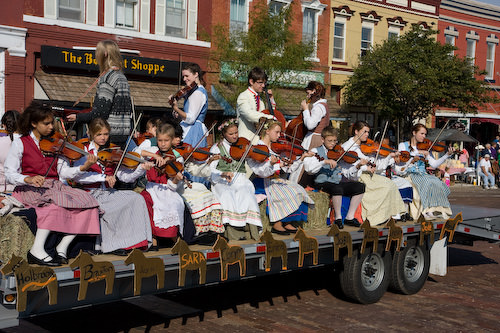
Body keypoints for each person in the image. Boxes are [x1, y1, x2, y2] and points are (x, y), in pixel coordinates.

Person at [5, 101, 101, 266]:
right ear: (34, 123)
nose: (51, 127)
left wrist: (84, 167)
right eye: (46, 123)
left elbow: (64, 173)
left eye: (52, 123)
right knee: (54, 205)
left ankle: (63, 246)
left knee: (89, 202)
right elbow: (9, 173)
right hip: (30, 188)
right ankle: (37, 249)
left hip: (54, 187)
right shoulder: (20, 142)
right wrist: (27, 178)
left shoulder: (57, 144)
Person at [70, 118, 154, 254]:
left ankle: (134, 242)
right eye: (99, 134)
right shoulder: (84, 150)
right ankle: (112, 245)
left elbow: (125, 177)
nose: (103, 138)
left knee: (136, 198)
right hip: (91, 193)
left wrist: (141, 169)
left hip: (109, 193)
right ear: (91, 134)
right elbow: (78, 177)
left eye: (106, 134)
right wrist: (103, 177)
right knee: (108, 208)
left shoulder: (112, 151)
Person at [247, 119, 314, 235]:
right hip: (263, 181)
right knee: (283, 192)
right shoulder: (257, 149)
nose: (279, 136)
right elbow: (261, 172)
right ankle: (277, 223)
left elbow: (289, 169)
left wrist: (301, 158)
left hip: (275, 180)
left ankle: (288, 221)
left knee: (298, 189)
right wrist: (272, 164)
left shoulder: (274, 149)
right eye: (277, 132)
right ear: (267, 131)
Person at [67, 40, 132, 147]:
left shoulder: (108, 78)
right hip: (122, 135)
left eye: (98, 52)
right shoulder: (121, 77)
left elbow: (100, 113)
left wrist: (79, 117)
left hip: (107, 135)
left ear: (105, 53)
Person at [342, 121, 406, 226]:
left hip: (367, 175)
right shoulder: (348, 147)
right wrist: (365, 167)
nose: (367, 134)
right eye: (365, 132)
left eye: (368, 132)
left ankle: (391, 214)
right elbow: (348, 167)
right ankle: (375, 217)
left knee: (390, 184)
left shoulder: (365, 147)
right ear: (356, 131)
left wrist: (390, 156)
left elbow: (377, 166)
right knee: (385, 187)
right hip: (356, 177)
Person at [209, 119, 262, 240]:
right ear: (223, 134)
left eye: (236, 132)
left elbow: (256, 166)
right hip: (222, 181)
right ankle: (233, 234)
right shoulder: (217, 148)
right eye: (231, 134)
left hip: (240, 180)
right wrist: (222, 173)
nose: (235, 136)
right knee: (227, 195)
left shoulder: (243, 145)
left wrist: (269, 164)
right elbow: (210, 171)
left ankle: (252, 232)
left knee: (247, 195)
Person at [303, 127, 365, 229]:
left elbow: (347, 173)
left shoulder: (339, 152)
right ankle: (338, 218)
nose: (332, 143)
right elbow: (309, 170)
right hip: (322, 182)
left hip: (336, 182)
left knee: (360, 186)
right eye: (330, 141)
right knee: (337, 188)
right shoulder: (315, 151)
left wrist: (357, 167)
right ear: (322, 140)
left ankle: (350, 217)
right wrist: (324, 162)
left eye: (335, 141)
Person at [139, 123, 185, 248]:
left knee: (173, 203)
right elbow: (139, 152)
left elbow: (172, 186)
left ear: (172, 140)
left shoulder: (177, 158)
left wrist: (176, 179)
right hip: (151, 188)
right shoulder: (153, 151)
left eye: (166, 141)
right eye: (160, 140)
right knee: (145, 199)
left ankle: (174, 239)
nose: (163, 144)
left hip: (168, 189)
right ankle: (153, 239)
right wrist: (155, 156)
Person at [398, 123, 453, 220]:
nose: (424, 136)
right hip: (410, 174)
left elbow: (434, 164)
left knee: (437, 182)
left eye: (425, 134)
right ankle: (425, 211)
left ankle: (436, 210)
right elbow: (403, 160)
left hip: (422, 174)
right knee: (428, 182)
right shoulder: (403, 145)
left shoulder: (424, 148)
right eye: (422, 134)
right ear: (414, 133)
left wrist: (446, 155)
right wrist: (416, 154)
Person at [169, 62, 209, 147]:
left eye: (187, 76)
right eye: (183, 76)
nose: (184, 79)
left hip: (193, 131)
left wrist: (176, 108)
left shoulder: (198, 93)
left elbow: (191, 119)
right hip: (190, 128)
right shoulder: (193, 92)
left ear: (196, 74)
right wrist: (179, 114)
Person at [236, 67, 276, 143]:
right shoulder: (243, 96)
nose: (263, 85)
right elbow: (249, 114)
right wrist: (270, 117)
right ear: (251, 81)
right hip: (245, 140)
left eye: (264, 83)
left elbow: (267, 113)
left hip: (258, 140)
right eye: (260, 82)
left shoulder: (260, 100)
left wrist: (270, 100)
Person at [300, 81, 330, 150]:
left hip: (314, 140)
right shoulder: (323, 105)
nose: (307, 96)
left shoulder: (318, 107)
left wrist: (306, 110)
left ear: (314, 91)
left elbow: (310, 125)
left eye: (308, 93)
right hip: (318, 138)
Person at [0, 110, 21, 193]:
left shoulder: (2, 141)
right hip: (21, 189)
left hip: (2, 187)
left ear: (4, 126)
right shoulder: (27, 142)